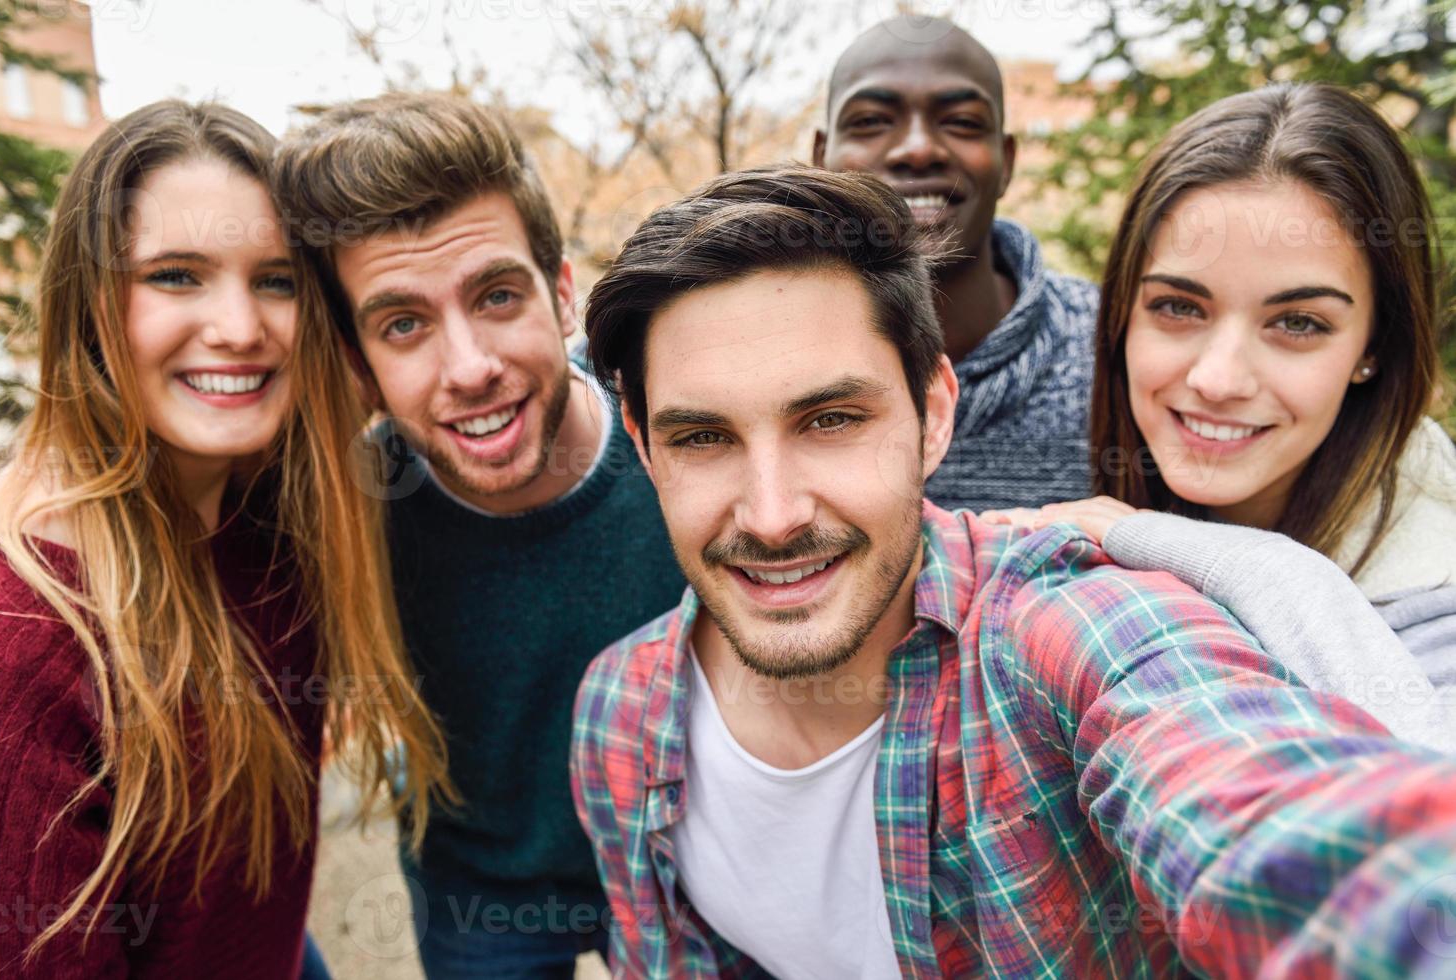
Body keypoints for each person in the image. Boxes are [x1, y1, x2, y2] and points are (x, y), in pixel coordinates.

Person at [572, 164, 1456, 977]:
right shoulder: (618, 714)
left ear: (933, 416)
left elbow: (1283, 825)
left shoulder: (1075, 630)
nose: (771, 516)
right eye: (702, 437)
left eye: (832, 420)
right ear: (646, 451)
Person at [0, 100, 450, 977]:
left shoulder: (273, 507)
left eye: (275, 280)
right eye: (175, 275)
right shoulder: (19, 640)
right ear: (88, 302)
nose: (240, 327)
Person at [272, 93, 686, 977]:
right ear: (359, 364)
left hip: (682, 876)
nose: (470, 368)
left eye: (496, 295)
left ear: (562, 291)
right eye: (403, 325)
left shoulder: (684, 446)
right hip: (478, 902)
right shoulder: (349, 514)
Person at [984, 84, 1456, 689]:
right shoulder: (1069, 496)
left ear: (1373, 348)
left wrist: (1177, 547)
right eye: (1179, 307)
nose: (1217, 379)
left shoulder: (1433, 609)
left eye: (1297, 323)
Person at [813, 15, 1098, 512]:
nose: (918, 149)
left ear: (1007, 161)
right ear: (821, 158)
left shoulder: (1114, 348)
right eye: (871, 122)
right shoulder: (753, 355)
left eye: (962, 122)